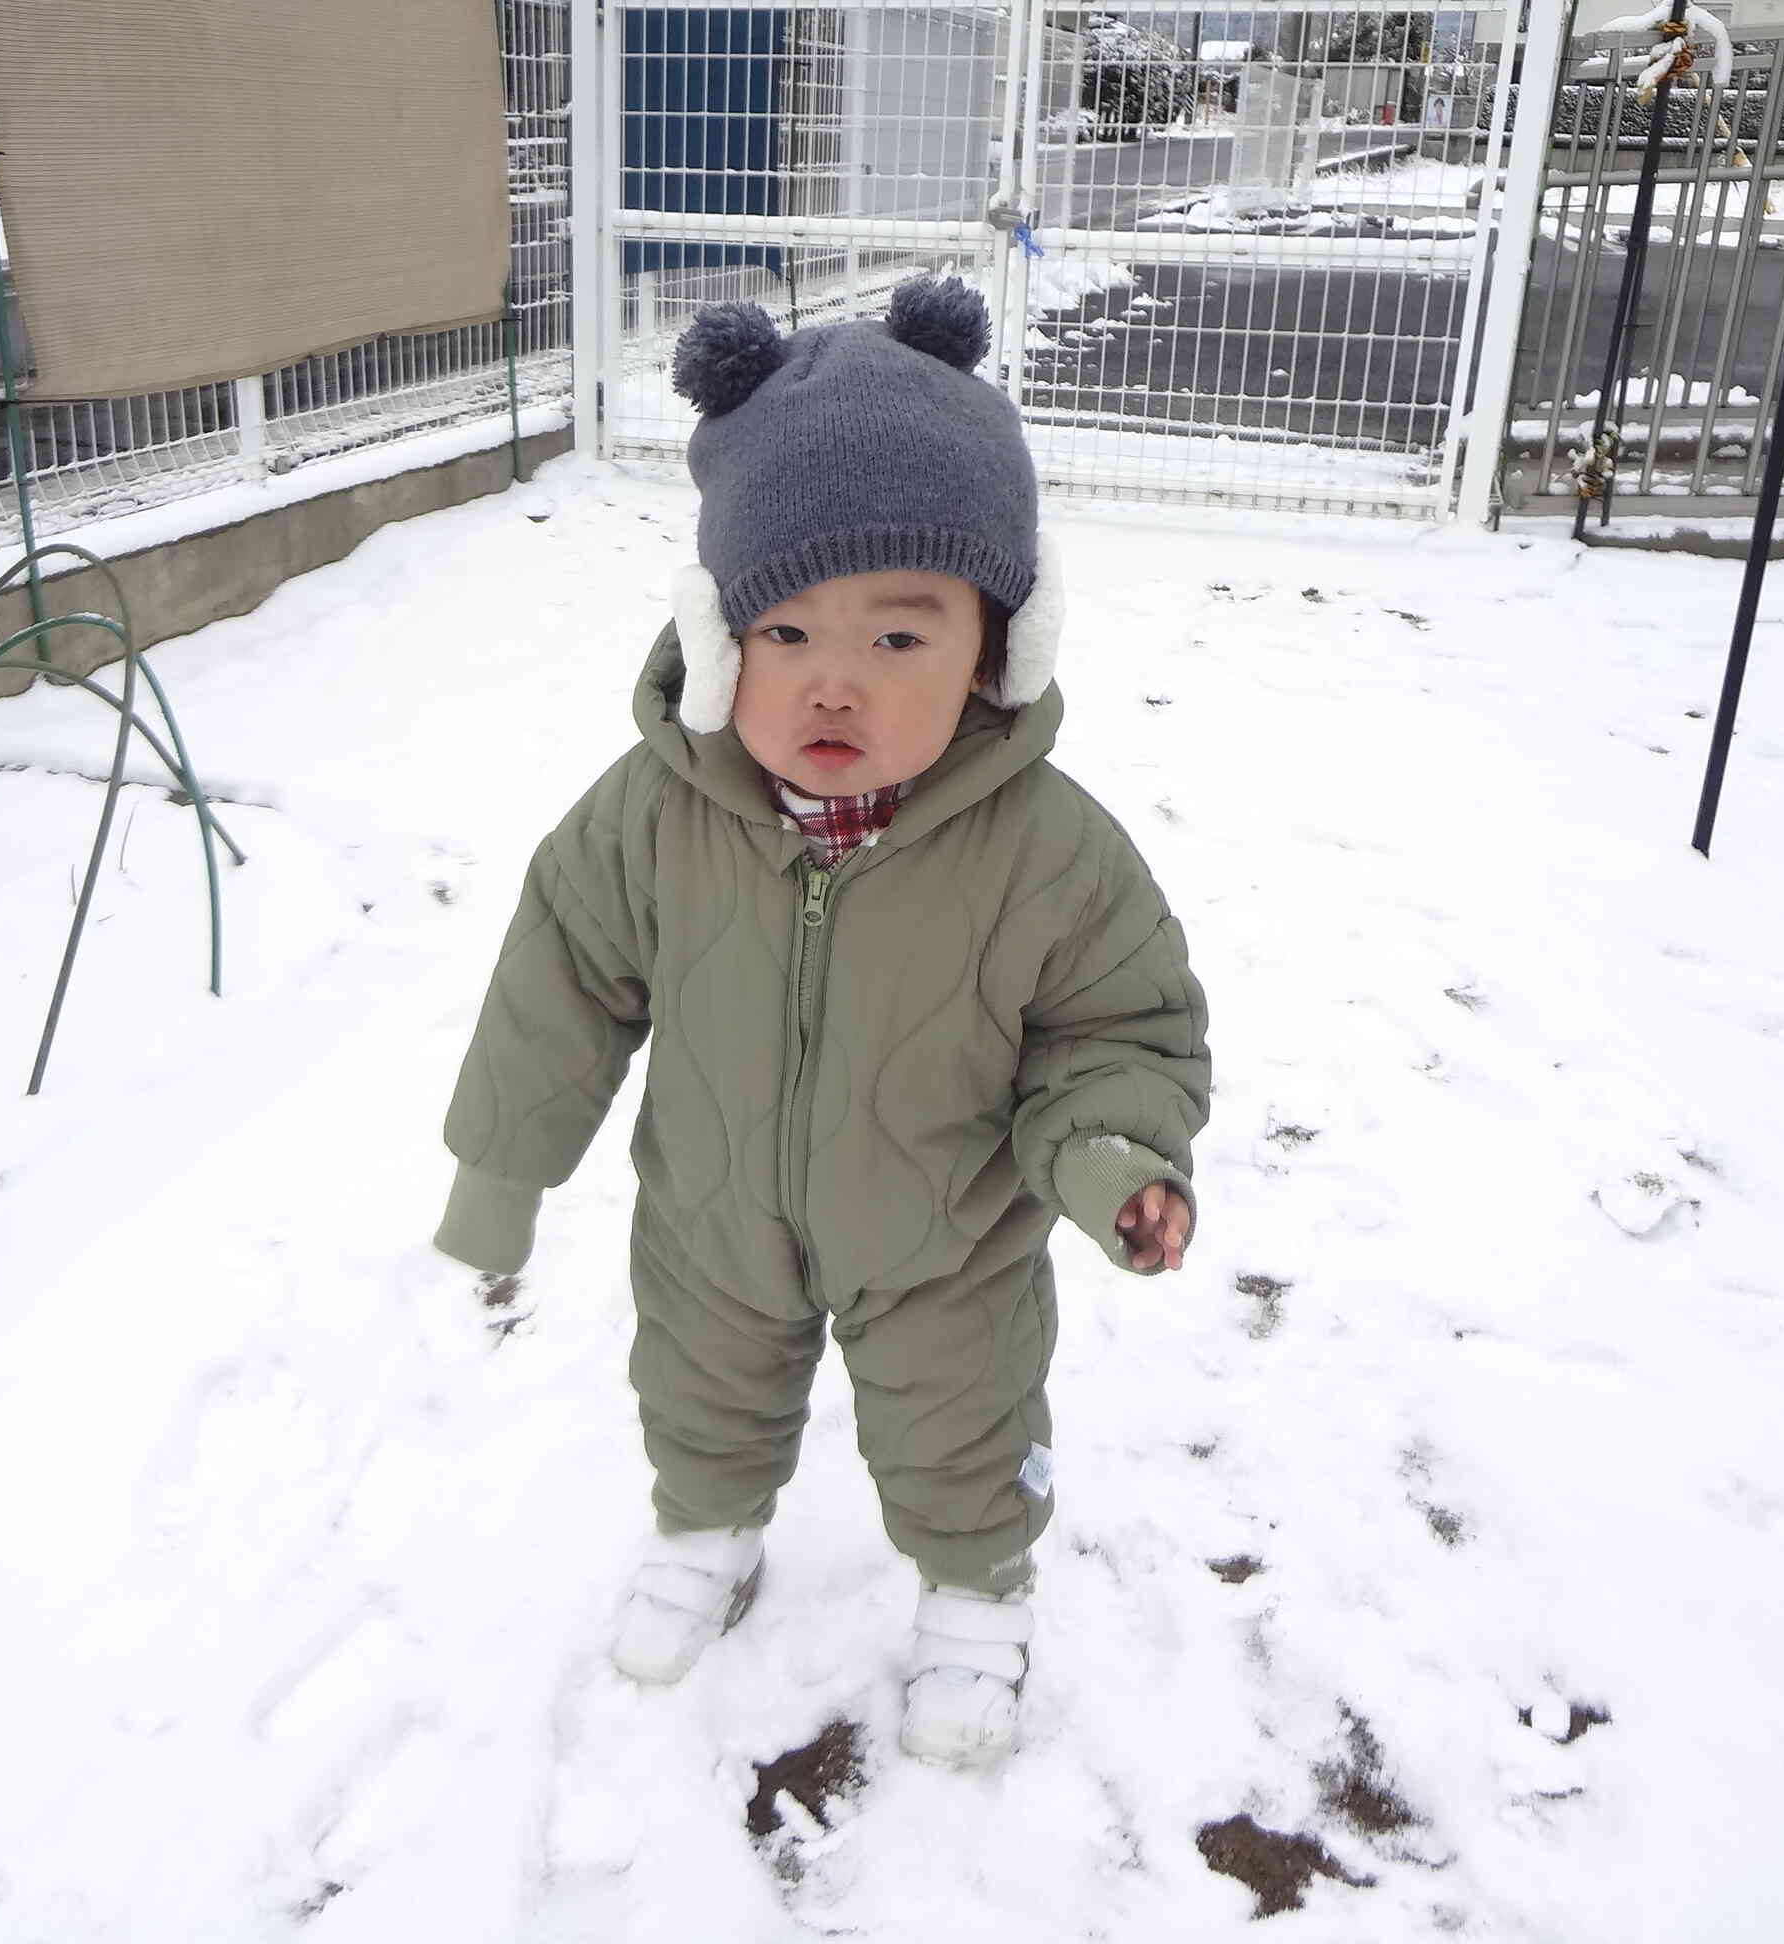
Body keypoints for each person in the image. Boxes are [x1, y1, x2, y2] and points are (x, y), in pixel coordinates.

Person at [433, 275, 1210, 1765]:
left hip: (949, 1232)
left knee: (960, 1420)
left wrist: (1114, 1157)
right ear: (718, 639)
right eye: (784, 634)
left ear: (998, 646)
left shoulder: (1049, 850)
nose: (834, 679)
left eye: (901, 639)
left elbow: (1121, 1026)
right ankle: (707, 1533)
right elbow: (560, 982)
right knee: (700, 1384)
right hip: (716, 1214)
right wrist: (500, 1175)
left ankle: (977, 1595)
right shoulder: (655, 818)